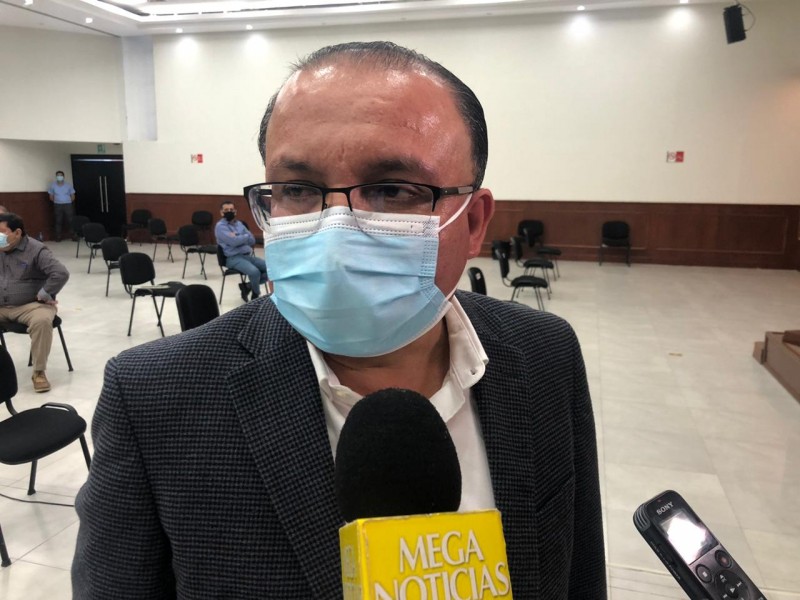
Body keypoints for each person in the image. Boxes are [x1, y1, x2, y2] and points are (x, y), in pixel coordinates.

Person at [72, 42, 605, 598]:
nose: (335, 230)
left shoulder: (545, 354)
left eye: (393, 189)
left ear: (473, 223)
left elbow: (580, 573)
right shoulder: (153, 398)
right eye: (298, 190)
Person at [0, 212, 70, 392]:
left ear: (17, 233)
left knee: (42, 321)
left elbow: (60, 273)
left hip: (31, 306)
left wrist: (45, 293)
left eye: (1, 232)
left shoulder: (36, 249)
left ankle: (39, 372)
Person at [214, 200, 268, 301]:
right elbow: (234, 242)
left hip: (247, 256)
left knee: (270, 269)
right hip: (232, 258)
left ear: (235, 211)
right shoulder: (220, 226)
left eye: (231, 210)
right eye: (226, 210)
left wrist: (238, 236)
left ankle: (247, 286)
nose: (229, 212)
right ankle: (255, 296)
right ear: (221, 212)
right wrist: (244, 236)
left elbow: (252, 240)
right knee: (254, 272)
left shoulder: (239, 224)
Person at [47, 170, 76, 242]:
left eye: (61, 175)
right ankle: (58, 237)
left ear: (63, 176)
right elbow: (51, 197)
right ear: (56, 176)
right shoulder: (53, 185)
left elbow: (73, 196)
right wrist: (57, 201)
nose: (59, 177)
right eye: (58, 175)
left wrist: (67, 201)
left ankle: (73, 236)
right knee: (58, 220)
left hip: (68, 205)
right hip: (57, 205)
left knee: (70, 220)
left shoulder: (68, 185)